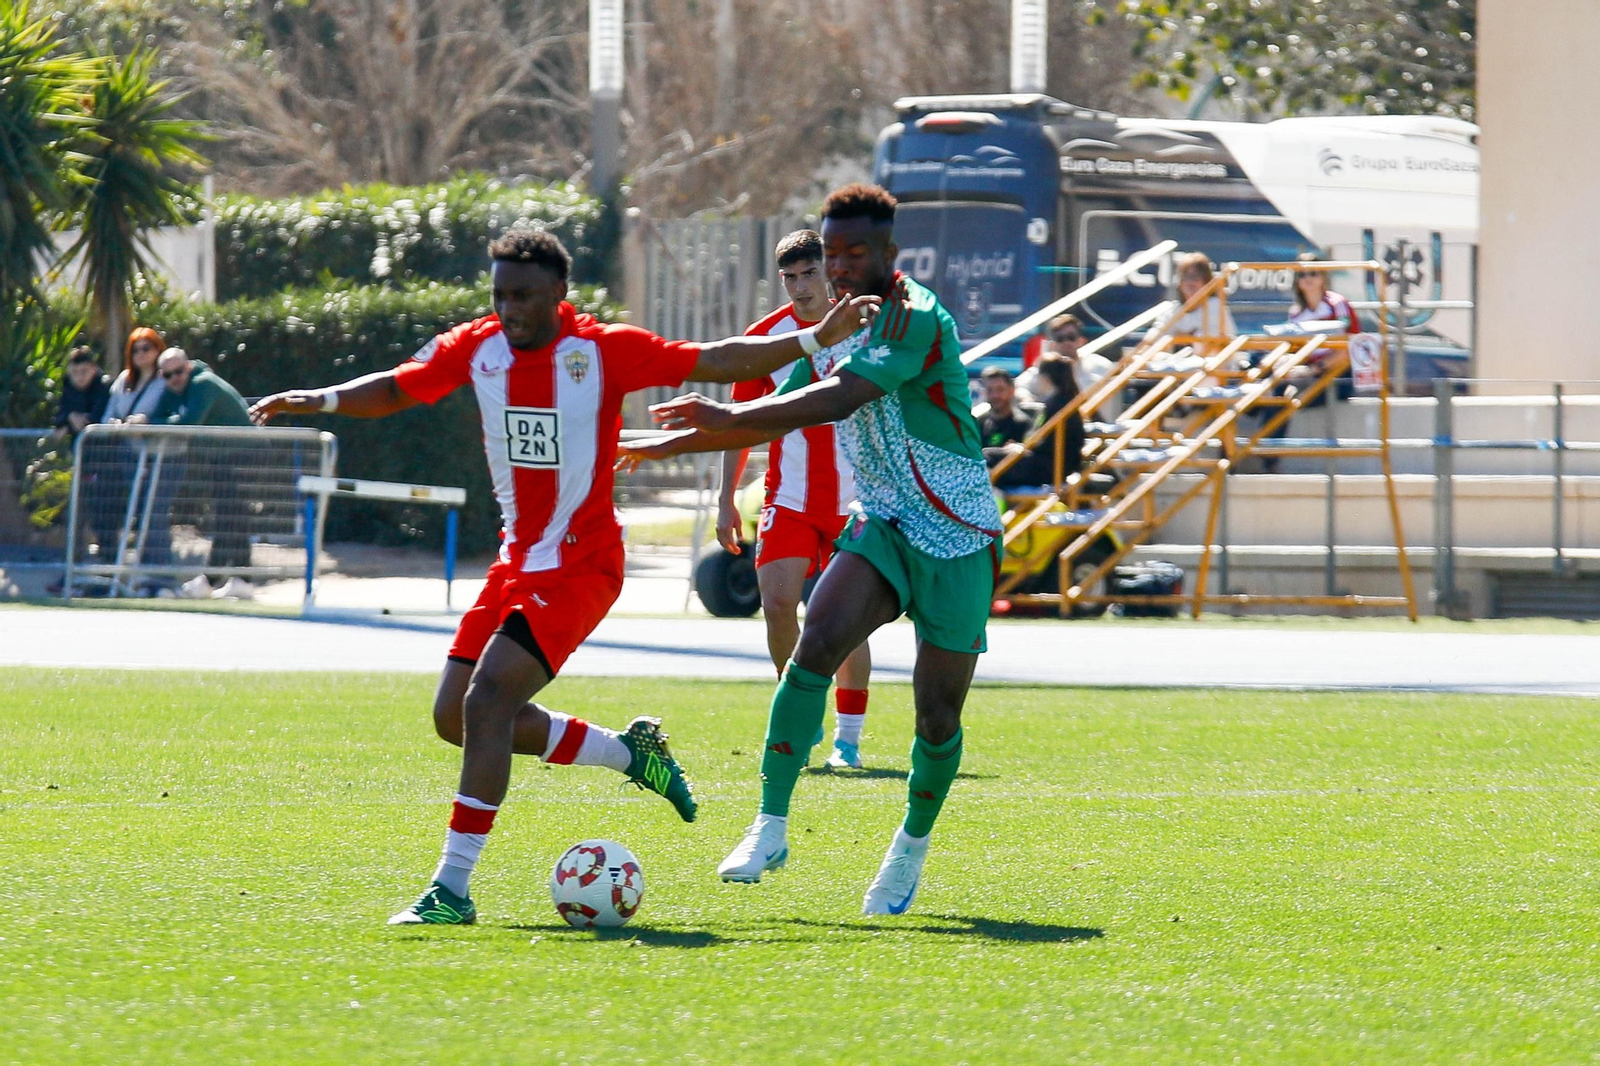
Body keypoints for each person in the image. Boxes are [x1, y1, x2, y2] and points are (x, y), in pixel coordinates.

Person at [250, 226, 881, 925]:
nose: (509, 309)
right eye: (499, 295)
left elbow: (713, 359)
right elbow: (399, 387)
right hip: (514, 561)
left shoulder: (601, 351)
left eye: (523, 296)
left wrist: (815, 338)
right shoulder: (478, 347)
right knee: (452, 717)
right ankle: (629, 754)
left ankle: (451, 890)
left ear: (559, 295)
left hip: (584, 562)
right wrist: (322, 399)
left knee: (488, 701)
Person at [619, 184, 1002, 915]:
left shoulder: (913, 317)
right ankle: (769, 824)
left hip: (956, 532)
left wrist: (722, 413)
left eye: (857, 252)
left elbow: (833, 401)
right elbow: (775, 406)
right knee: (815, 640)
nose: (842, 266)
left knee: (936, 717)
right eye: (832, 253)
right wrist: (677, 440)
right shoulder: (835, 323)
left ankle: (908, 850)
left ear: (891, 253)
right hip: (886, 518)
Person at [718, 229, 874, 770]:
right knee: (779, 605)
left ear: (828, 273)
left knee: (846, 620)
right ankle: (802, 717)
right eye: (790, 277)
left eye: (810, 274)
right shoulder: (767, 339)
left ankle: (848, 741)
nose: (801, 287)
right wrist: (723, 501)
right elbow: (738, 426)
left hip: (859, 503)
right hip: (789, 498)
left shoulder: (865, 324)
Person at [152, 348, 257, 599]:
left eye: (179, 372)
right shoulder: (174, 389)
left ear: (187, 367)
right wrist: (153, 419)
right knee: (233, 516)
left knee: (229, 515)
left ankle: (210, 580)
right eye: (168, 374)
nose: (175, 378)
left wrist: (151, 422)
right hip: (222, 456)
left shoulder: (203, 383)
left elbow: (188, 424)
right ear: (162, 375)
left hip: (245, 453)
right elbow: (160, 413)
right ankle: (242, 579)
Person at [976, 366, 1043, 489]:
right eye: (990, 390)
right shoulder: (979, 423)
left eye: (1000, 390)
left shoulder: (1023, 423)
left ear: (1012, 391)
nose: (995, 395)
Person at [103, 328, 167, 424]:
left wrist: (148, 422)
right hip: (122, 437)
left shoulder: (166, 378)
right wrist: (112, 424)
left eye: (146, 348)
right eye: (135, 350)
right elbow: (108, 414)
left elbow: (170, 415)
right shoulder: (123, 379)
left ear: (157, 349)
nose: (140, 353)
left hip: (152, 437)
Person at [54, 347, 110, 440]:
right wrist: (70, 416)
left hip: (102, 445)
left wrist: (69, 427)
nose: (79, 377)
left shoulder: (103, 387)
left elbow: (97, 418)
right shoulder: (68, 387)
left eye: (84, 371)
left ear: (94, 369)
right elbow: (60, 414)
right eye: (74, 372)